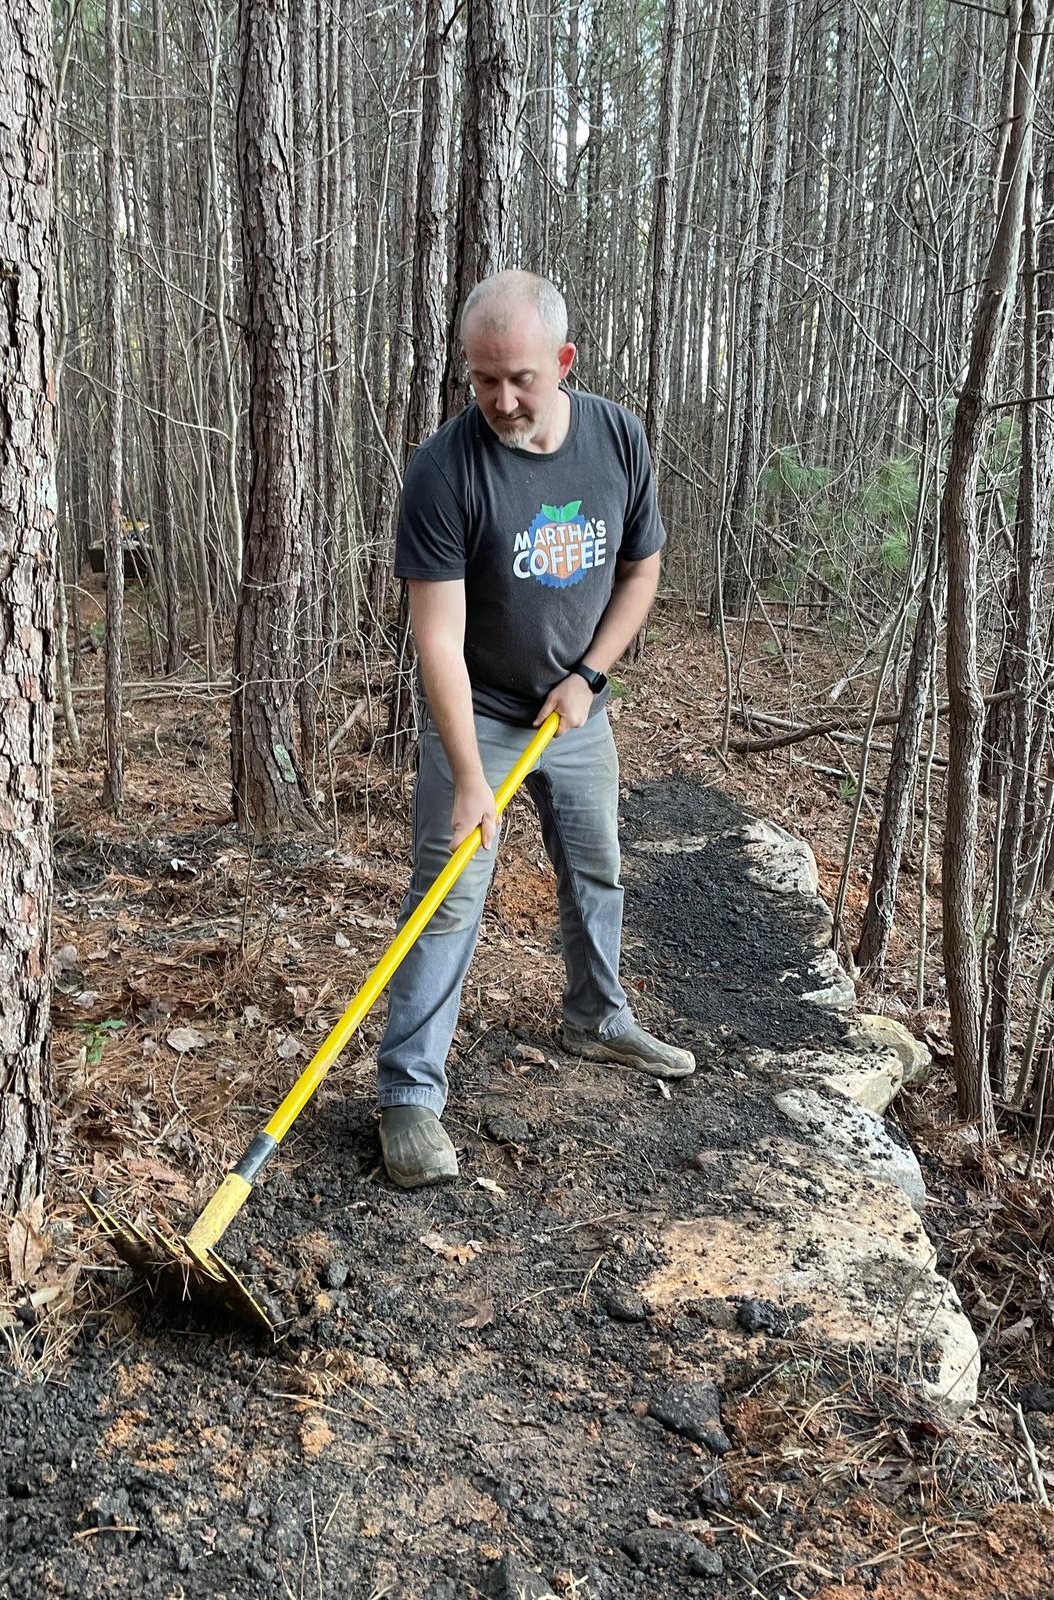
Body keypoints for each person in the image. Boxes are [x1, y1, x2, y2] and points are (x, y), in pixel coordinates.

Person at [377, 270, 694, 1188]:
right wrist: (471, 773)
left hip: (576, 710)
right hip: (477, 710)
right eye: (483, 382)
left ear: (562, 362)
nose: (502, 401)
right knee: (448, 896)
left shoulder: (615, 438)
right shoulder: (445, 470)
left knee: (595, 865)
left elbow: (641, 570)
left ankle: (598, 1018)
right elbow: (435, 639)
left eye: (519, 378)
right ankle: (408, 1096)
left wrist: (592, 675)